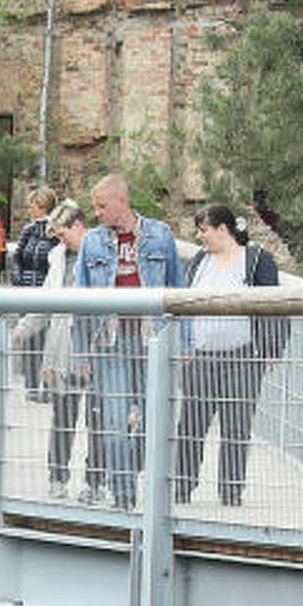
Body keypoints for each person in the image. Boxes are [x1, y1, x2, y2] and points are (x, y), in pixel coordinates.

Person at [71, 172, 183, 508]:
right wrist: (81, 353)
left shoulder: (160, 235)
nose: (97, 213)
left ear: (121, 201)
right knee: (114, 423)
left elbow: (180, 290)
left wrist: (185, 342)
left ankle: (138, 479)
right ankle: (123, 496)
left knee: (154, 420)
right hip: (111, 342)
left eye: (102, 206)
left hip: (152, 341)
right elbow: (79, 302)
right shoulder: (92, 241)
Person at [175, 201, 283, 510]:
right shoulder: (200, 261)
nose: (200, 236)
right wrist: (183, 343)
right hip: (200, 357)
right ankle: (182, 486)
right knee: (191, 425)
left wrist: (272, 348)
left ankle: (231, 491)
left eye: (204, 230)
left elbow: (277, 305)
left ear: (223, 229)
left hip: (243, 357)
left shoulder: (256, 260)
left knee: (236, 426)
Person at [35, 198, 92, 494]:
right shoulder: (58, 256)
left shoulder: (99, 253)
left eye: (62, 234)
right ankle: (57, 477)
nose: (60, 241)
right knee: (63, 416)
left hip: (93, 347)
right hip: (62, 348)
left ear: (78, 225)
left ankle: (95, 481)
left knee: (97, 418)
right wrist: (24, 329)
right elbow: (46, 299)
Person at [8, 185, 57, 394]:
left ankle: (46, 384)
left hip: (46, 292)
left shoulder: (55, 231)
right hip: (26, 291)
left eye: (33, 206)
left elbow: (56, 261)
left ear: (43, 207)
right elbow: (18, 257)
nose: (30, 209)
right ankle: (31, 384)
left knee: (47, 339)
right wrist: (18, 277)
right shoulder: (28, 230)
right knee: (28, 338)